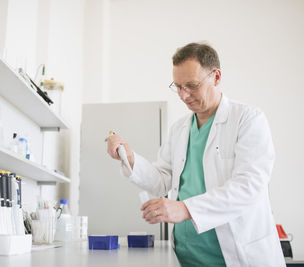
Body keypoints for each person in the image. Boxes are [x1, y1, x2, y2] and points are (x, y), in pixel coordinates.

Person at [106, 42, 285, 267]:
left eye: (191, 85)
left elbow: (249, 186)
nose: (184, 95)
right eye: (178, 86)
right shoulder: (180, 129)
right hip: (186, 257)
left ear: (216, 77)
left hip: (236, 258)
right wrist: (130, 158)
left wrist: (185, 208)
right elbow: (163, 178)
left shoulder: (248, 119)